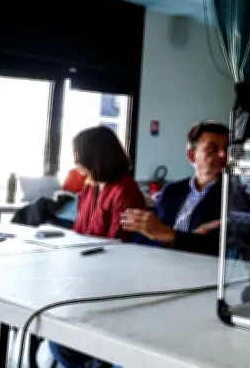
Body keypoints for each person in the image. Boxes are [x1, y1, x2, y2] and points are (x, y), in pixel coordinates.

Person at [50, 126, 145, 368]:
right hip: (84, 277)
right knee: (57, 343)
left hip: (111, 284)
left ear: (96, 156)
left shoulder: (125, 190)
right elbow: (79, 232)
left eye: (79, 155)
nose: (76, 162)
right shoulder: (89, 188)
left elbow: (118, 246)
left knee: (67, 346)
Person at [120, 121, 229, 255]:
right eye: (213, 149)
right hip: (161, 264)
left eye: (227, 149)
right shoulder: (172, 191)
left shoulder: (233, 195)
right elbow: (143, 238)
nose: (223, 155)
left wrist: (168, 234)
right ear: (192, 155)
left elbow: (218, 247)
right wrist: (176, 237)